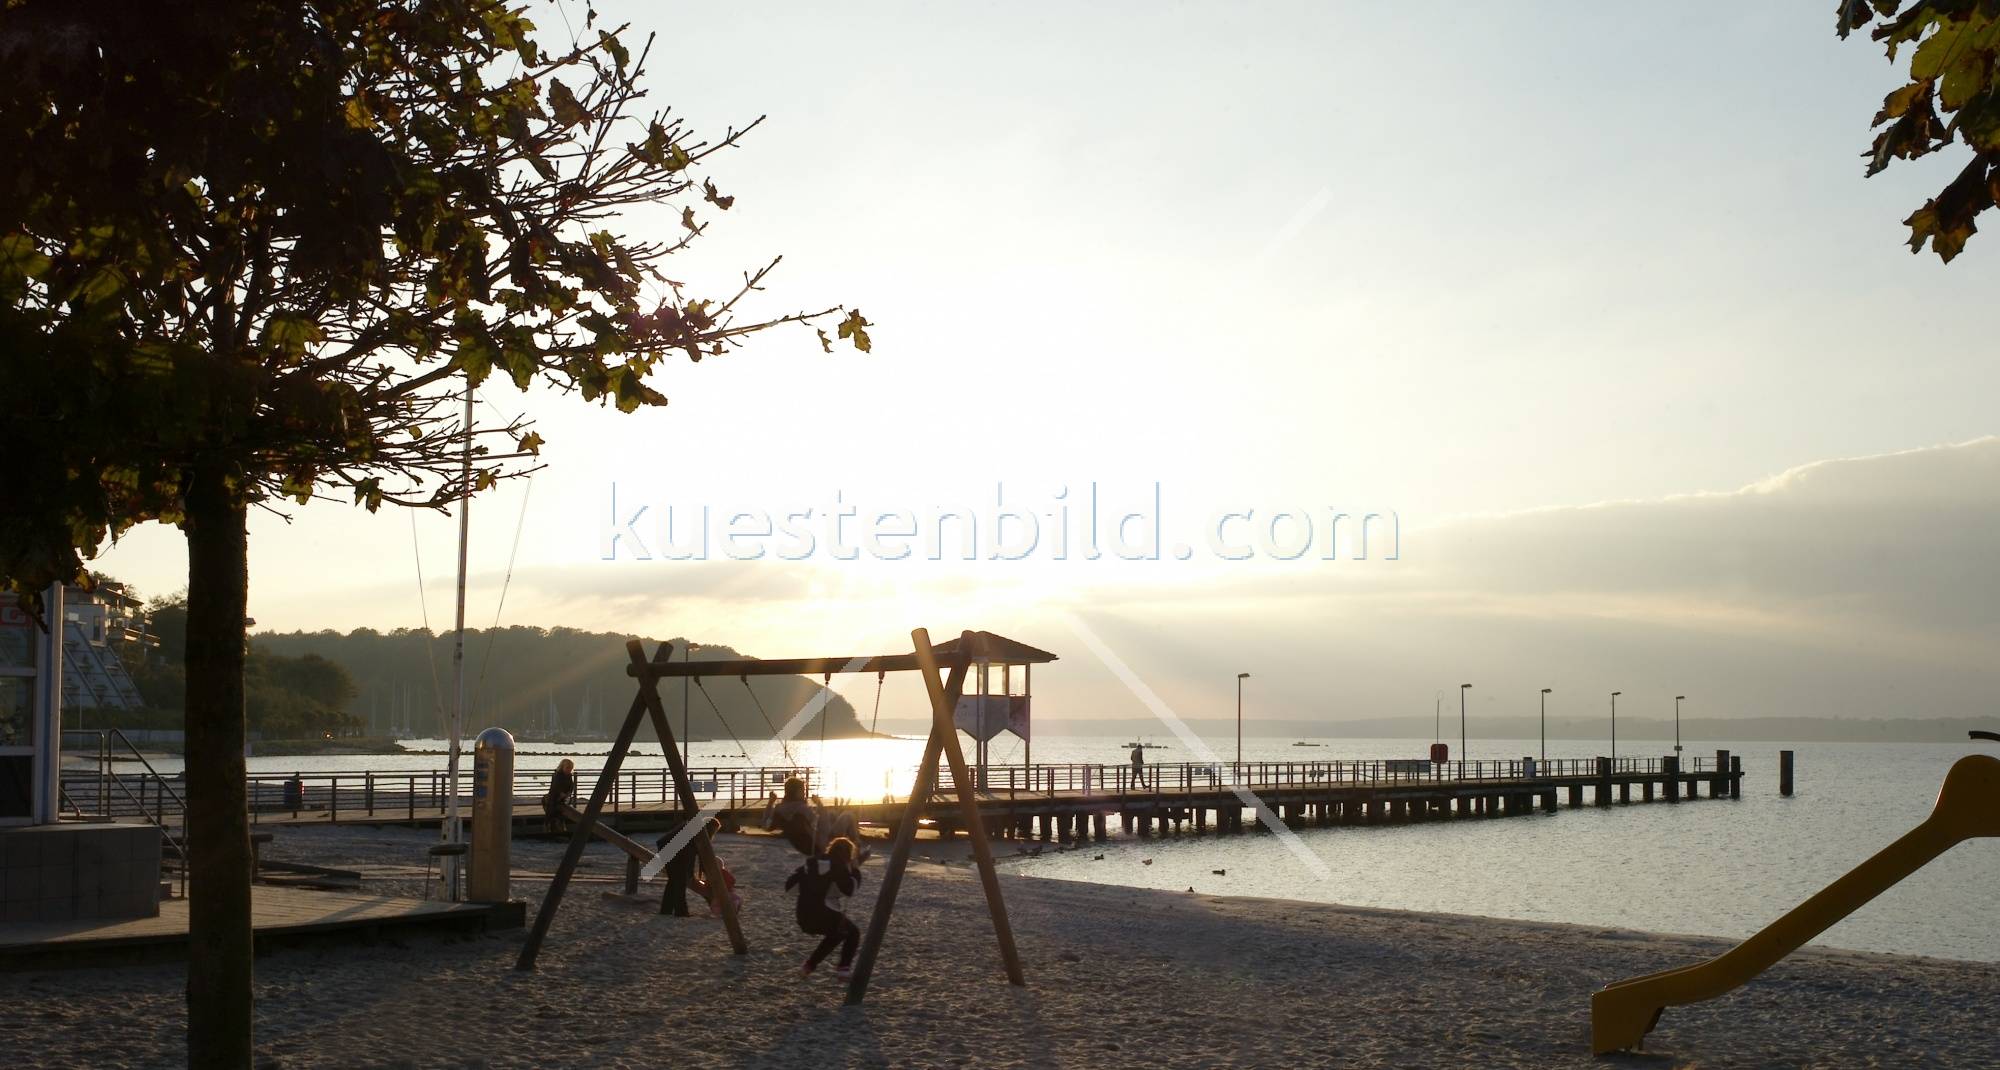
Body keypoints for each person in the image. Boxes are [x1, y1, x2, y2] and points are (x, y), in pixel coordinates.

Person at [785, 836, 862, 979]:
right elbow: (850, 890)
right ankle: (843, 968)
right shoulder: (838, 866)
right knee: (853, 932)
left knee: (838, 933)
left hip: (803, 917)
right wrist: (856, 871)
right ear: (848, 855)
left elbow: (789, 889)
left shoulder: (810, 864)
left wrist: (809, 884)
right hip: (824, 915)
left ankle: (809, 966)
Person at [761, 777, 864, 857]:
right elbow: (823, 827)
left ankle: (853, 847)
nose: (805, 793)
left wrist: (771, 802)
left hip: (803, 845)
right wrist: (819, 803)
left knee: (832, 814)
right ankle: (856, 850)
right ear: (797, 792)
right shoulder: (802, 809)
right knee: (848, 815)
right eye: (803, 791)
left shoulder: (779, 809)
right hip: (822, 844)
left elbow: (766, 825)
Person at [656, 819, 702, 917]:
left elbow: (694, 855)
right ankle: (681, 912)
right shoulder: (698, 833)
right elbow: (692, 855)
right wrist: (690, 874)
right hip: (672, 849)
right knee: (680, 882)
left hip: (665, 846)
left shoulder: (694, 827)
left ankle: (666, 910)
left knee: (673, 881)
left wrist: (691, 873)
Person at [542, 758, 577, 834]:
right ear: (563, 767)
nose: (569, 770)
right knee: (551, 809)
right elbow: (555, 786)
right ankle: (547, 826)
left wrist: (568, 793)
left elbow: (571, 786)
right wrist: (561, 793)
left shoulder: (569, 776)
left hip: (564, 797)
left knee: (563, 811)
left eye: (570, 768)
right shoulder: (557, 774)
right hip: (554, 796)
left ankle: (560, 826)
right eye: (567, 768)